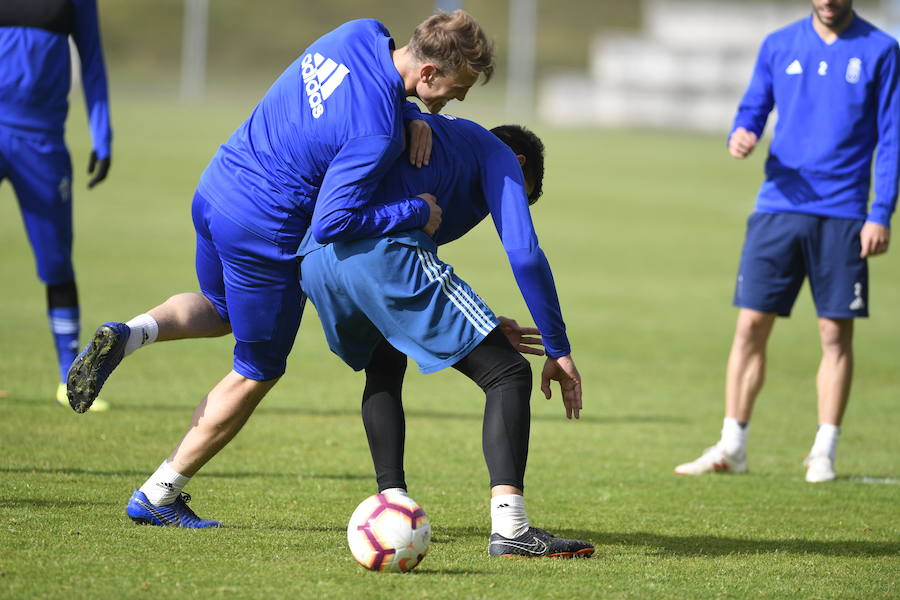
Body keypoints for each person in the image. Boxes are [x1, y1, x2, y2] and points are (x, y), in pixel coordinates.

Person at [66, 11, 493, 527]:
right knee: (258, 369)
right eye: (458, 85)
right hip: (263, 230)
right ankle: (159, 494)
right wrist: (418, 210)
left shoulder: (360, 31)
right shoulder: (375, 132)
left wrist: (410, 115)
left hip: (218, 188)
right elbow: (335, 221)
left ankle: (130, 332)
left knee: (223, 309)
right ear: (427, 74)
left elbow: (355, 93)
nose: (461, 99)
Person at [298, 117, 593, 558]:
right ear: (518, 163)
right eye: (517, 195)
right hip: (381, 253)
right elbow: (525, 255)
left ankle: (392, 504)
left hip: (318, 260)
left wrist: (486, 321)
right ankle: (511, 529)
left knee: (385, 363)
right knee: (509, 373)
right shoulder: (498, 157)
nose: (501, 207)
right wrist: (559, 347)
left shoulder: (442, 140)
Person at [675, 0, 897, 483]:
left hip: (843, 213)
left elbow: (892, 137)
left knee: (834, 334)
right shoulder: (779, 44)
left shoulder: (882, 50)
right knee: (750, 326)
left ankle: (824, 451)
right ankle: (732, 446)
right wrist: (743, 131)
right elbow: (754, 105)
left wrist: (880, 212)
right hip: (778, 207)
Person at [0, 0, 112, 410]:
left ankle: (71, 380)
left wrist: (103, 135)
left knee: (56, 263)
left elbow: (93, 58)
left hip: (42, 142)